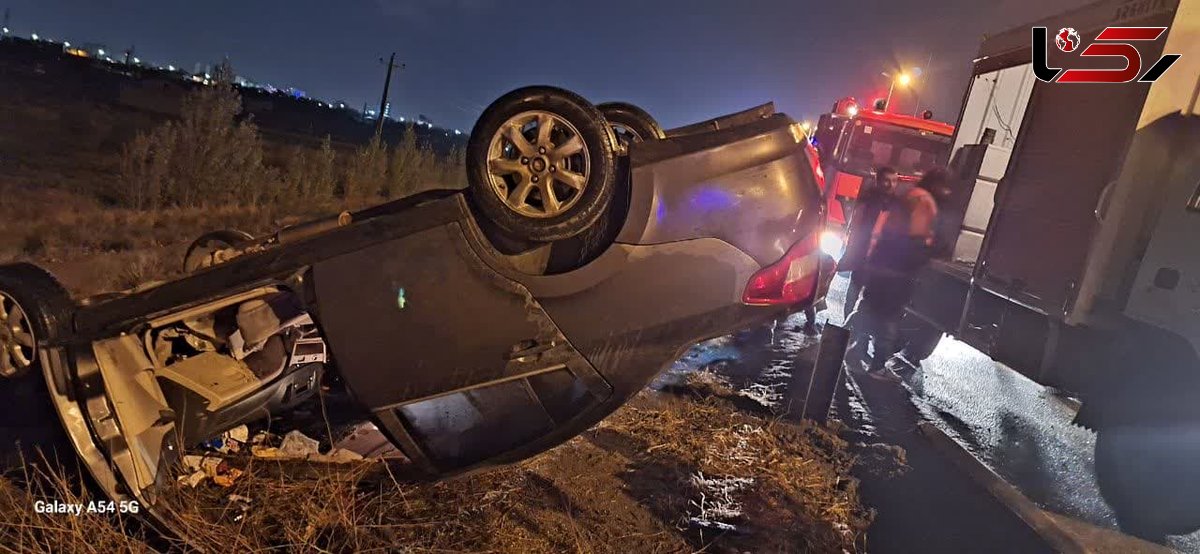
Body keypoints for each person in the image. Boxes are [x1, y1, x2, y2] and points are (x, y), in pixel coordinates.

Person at [852, 168, 947, 382]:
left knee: (870, 309)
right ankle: (877, 367)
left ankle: (848, 347)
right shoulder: (924, 201)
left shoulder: (909, 196)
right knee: (888, 318)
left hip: (880, 262)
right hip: (896, 270)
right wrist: (926, 257)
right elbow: (916, 240)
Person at [840, 167, 898, 320]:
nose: (891, 185)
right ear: (879, 181)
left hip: (880, 255)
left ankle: (858, 331)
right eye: (887, 180)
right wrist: (852, 246)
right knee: (854, 289)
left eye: (894, 181)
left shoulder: (895, 204)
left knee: (871, 295)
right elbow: (857, 221)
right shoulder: (869, 198)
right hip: (862, 250)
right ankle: (846, 326)